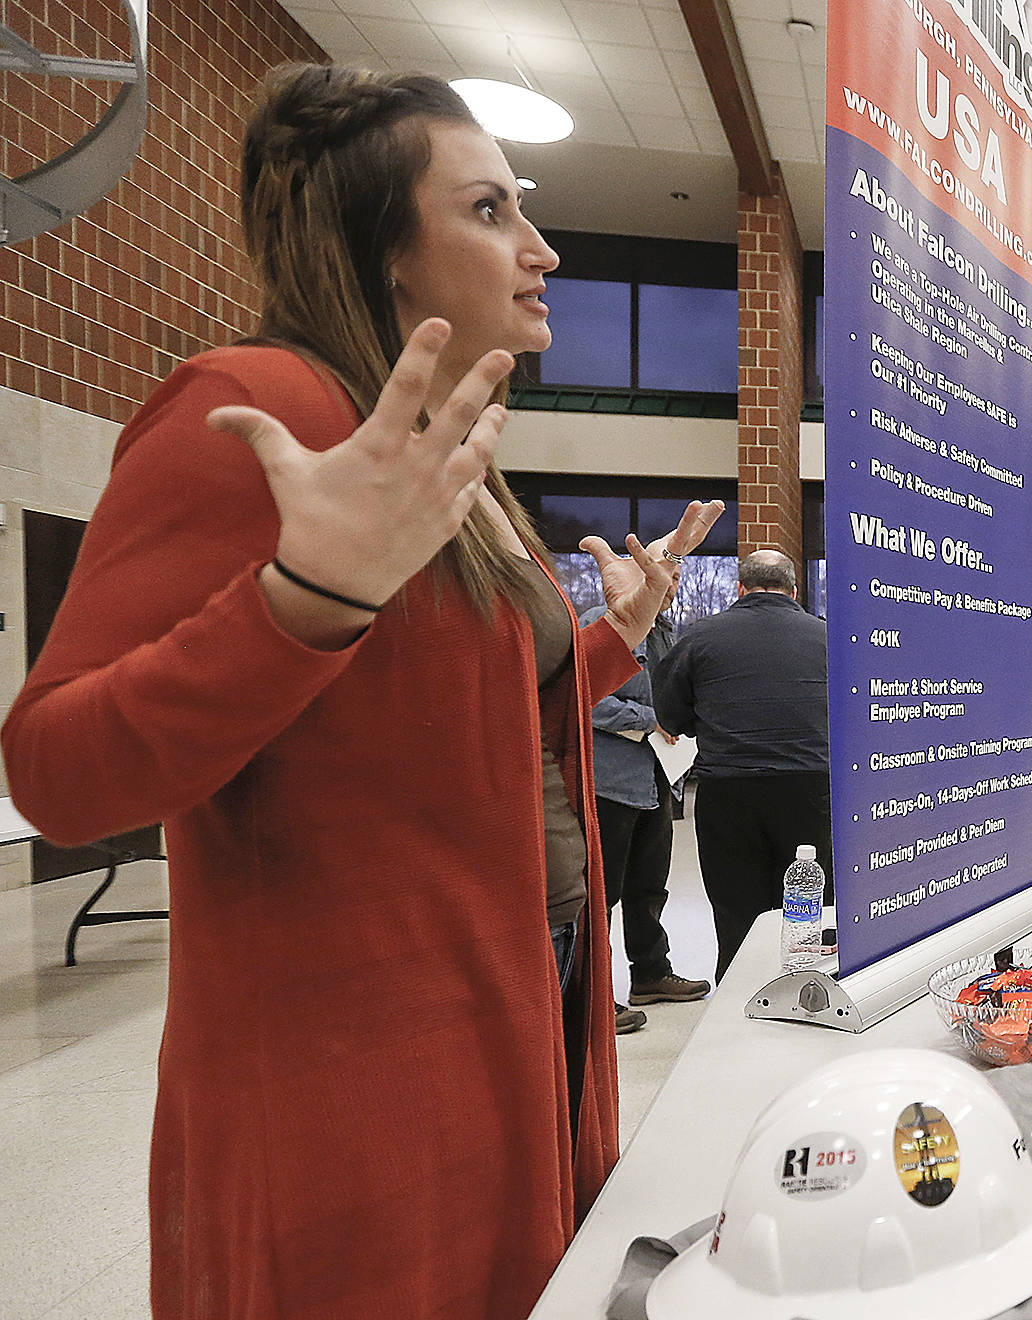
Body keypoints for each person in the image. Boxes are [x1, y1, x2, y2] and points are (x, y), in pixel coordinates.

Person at [0, 65, 724, 1319]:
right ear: (385, 252)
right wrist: (302, 594)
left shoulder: (440, 447)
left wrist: (610, 637)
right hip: (367, 1068)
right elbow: (58, 773)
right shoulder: (254, 405)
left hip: (529, 984)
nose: (542, 250)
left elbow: (441, 698)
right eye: (492, 212)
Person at [653, 549, 830, 979]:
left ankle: (736, 1003)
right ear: (795, 589)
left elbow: (670, 716)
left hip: (727, 792)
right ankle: (807, 990)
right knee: (808, 909)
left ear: (739, 588)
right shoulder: (829, 638)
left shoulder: (700, 637)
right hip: (812, 790)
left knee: (735, 909)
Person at [582, 594, 712, 1036]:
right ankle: (594, 998)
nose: (672, 583)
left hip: (657, 778)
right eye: (663, 571)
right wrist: (650, 718)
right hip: (611, 781)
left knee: (649, 885)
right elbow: (587, 695)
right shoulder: (602, 623)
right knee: (602, 895)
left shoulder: (667, 632)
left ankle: (651, 974)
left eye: (676, 576)